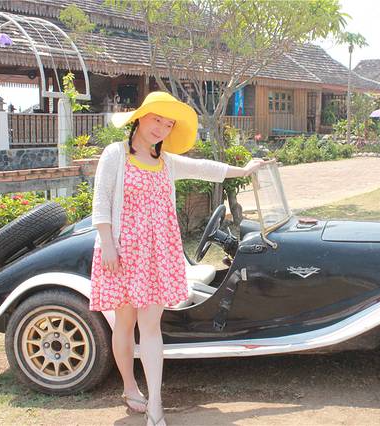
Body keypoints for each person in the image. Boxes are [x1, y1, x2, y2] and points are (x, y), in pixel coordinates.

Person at [89, 91, 271, 426]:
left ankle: (156, 404)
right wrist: (108, 245)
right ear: (140, 118)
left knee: (150, 327)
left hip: (158, 254)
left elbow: (204, 168)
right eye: (157, 119)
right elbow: (101, 202)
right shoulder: (115, 154)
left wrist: (244, 170)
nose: (161, 128)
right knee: (124, 324)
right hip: (124, 253)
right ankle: (129, 387)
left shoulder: (167, 161)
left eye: (168, 124)